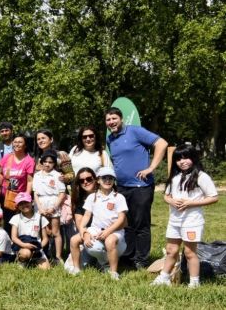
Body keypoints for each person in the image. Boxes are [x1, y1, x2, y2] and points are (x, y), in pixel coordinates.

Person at [105, 107, 169, 269]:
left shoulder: (135, 131)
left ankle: (142, 260)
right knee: (127, 224)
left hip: (141, 186)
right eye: (108, 120)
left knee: (141, 224)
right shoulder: (110, 139)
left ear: (121, 119)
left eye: (114, 118)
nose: (111, 122)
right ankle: (129, 257)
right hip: (122, 188)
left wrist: (151, 168)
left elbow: (162, 143)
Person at [151, 146, 219, 288]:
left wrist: (190, 203)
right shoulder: (174, 177)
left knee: (189, 252)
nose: (182, 162)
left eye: (186, 157)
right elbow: (166, 196)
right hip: (175, 221)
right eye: (178, 159)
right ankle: (164, 278)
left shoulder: (201, 176)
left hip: (192, 221)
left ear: (193, 158)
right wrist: (171, 201)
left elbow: (213, 197)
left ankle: (194, 283)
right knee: (171, 250)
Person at [67, 167, 128, 280]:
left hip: (114, 230)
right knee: (74, 240)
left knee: (110, 242)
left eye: (110, 178)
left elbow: (121, 219)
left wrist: (108, 231)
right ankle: (76, 269)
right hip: (95, 228)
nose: (107, 181)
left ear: (114, 180)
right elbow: (87, 215)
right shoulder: (92, 197)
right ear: (98, 180)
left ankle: (113, 272)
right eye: (104, 178)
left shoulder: (119, 197)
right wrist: (82, 229)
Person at [33, 150, 67, 264]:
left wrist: (54, 207)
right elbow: (35, 193)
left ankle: (58, 256)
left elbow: (62, 193)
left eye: (50, 162)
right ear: (41, 162)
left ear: (54, 164)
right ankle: (42, 254)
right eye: (45, 162)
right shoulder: (37, 175)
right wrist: (40, 209)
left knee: (55, 232)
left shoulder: (58, 176)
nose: (47, 164)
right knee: (42, 231)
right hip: (40, 204)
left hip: (54, 203)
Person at [0, 135, 35, 225]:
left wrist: (26, 198)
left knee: (19, 223)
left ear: (25, 145)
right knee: (7, 222)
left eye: (20, 142)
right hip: (5, 197)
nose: (17, 144)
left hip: (20, 197)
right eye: (15, 142)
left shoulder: (29, 161)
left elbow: (30, 181)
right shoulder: (7, 157)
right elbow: (0, 174)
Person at [9, 192, 50, 269]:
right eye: (21, 204)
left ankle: (32, 261)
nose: (24, 205)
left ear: (32, 202)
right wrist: (24, 245)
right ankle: (22, 260)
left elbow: (45, 238)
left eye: (26, 202)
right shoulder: (15, 218)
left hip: (36, 247)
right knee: (25, 253)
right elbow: (14, 237)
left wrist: (39, 247)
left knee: (46, 269)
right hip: (22, 246)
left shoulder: (40, 218)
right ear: (18, 206)